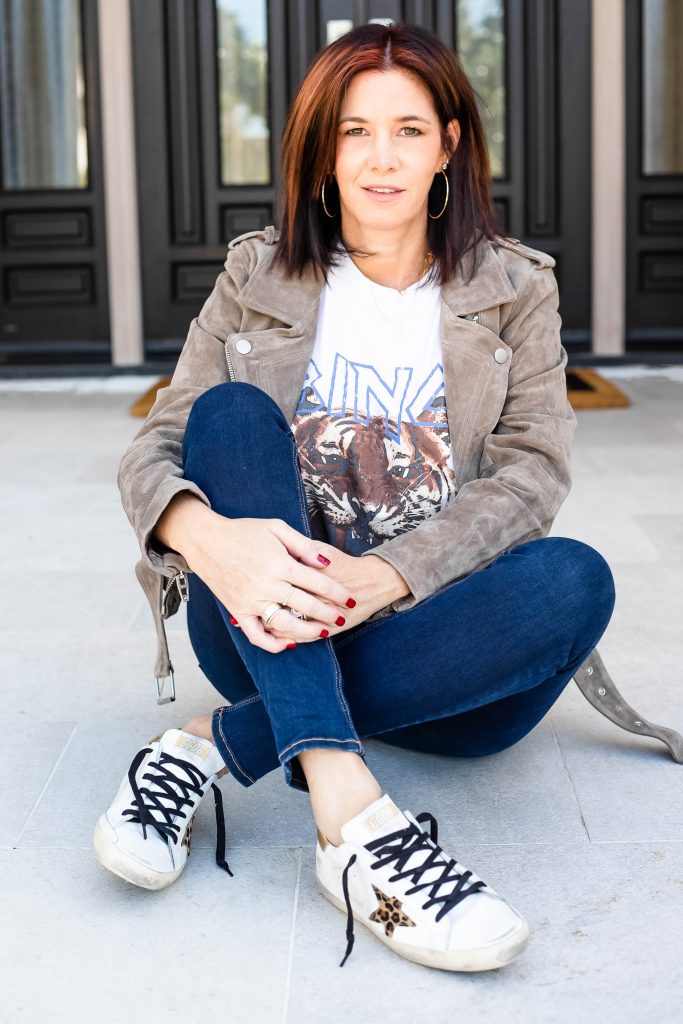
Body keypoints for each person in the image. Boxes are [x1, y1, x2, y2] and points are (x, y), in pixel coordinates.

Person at [93, 22, 615, 973]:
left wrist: (384, 577)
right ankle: (354, 824)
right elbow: (157, 447)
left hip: (447, 656)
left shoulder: (512, 290)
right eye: (354, 132)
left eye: (410, 130)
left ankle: (217, 742)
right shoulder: (257, 274)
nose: (381, 159)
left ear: (449, 144)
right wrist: (205, 537)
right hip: (257, 622)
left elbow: (533, 471)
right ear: (320, 150)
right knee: (232, 413)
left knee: (573, 580)